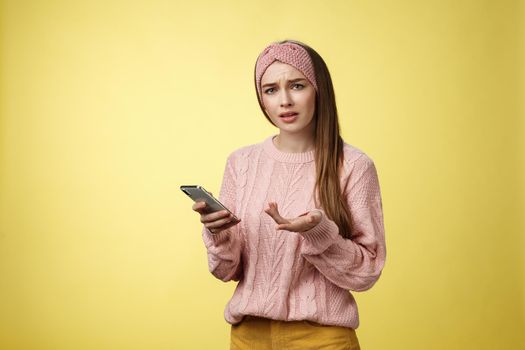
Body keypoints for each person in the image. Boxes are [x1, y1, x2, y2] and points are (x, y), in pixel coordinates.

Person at [192, 39, 386, 350]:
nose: (285, 100)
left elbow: (366, 272)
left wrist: (319, 234)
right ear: (262, 100)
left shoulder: (354, 166)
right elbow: (225, 271)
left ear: (318, 90)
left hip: (322, 339)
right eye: (270, 90)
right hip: (249, 337)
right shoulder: (241, 163)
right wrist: (219, 234)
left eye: (297, 85)